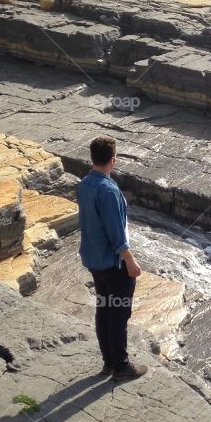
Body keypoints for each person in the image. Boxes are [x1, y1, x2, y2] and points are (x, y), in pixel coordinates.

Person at [77, 136, 146, 382]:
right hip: (113, 263)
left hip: (94, 259)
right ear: (113, 160)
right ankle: (121, 366)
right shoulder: (108, 189)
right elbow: (116, 231)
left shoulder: (85, 183)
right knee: (118, 314)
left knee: (104, 310)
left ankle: (108, 362)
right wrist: (130, 260)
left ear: (93, 157)